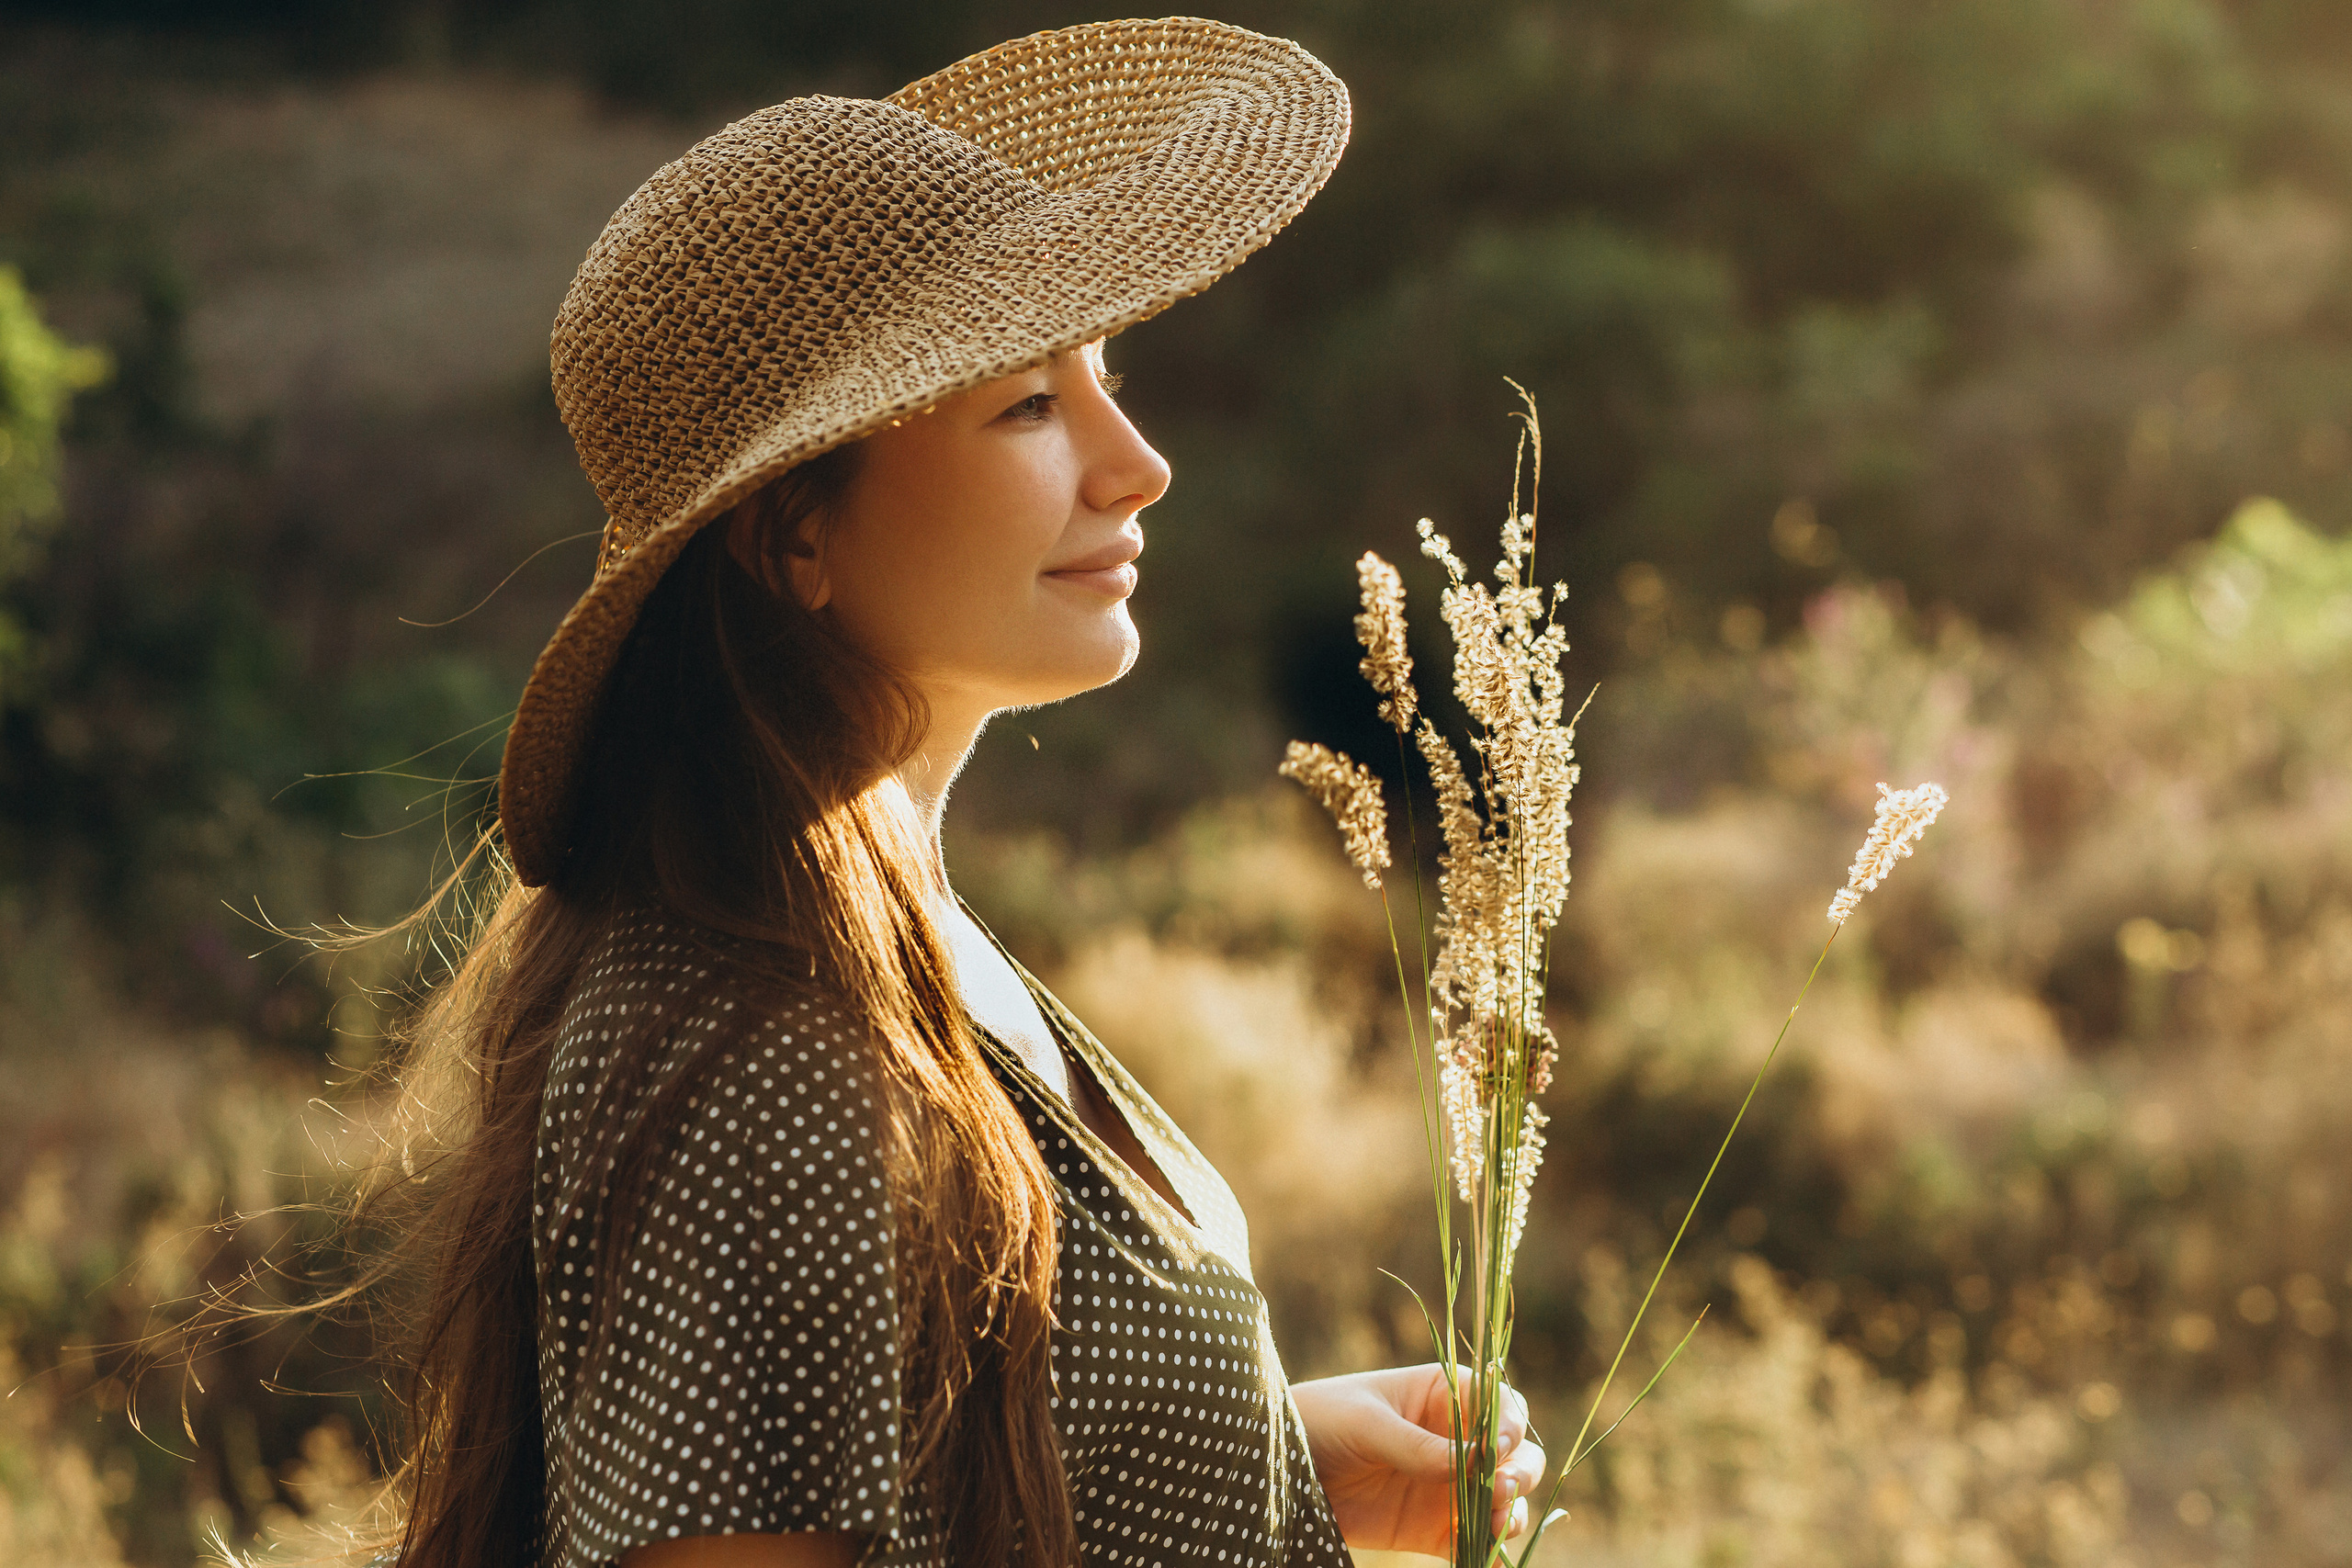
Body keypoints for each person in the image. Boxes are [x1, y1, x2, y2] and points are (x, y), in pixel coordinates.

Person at [366, 19, 1544, 1568]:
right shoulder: (750, 1045)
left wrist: (1254, 1465)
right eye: (1028, 406)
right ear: (795, 534)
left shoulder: (868, 940)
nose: (1137, 464)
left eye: (1104, 374)